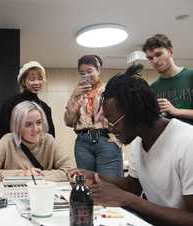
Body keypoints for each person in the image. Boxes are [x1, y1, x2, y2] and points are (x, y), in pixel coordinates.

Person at [69, 64, 193, 226]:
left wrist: (130, 201)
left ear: (136, 113)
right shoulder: (139, 140)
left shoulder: (187, 142)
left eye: (113, 122)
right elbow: (133, 185)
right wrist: (96, 177)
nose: (109, 128)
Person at [0, 101, 70, 182]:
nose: (36, 129)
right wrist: (22, 174)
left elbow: (69, 171)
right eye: (28, 125)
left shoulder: (49, 140)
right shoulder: (7, 141)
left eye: (39, 122)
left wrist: (38, 176)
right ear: (17, 126)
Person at [64, 55, 122, 177]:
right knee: (87, 184)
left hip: (106, 139)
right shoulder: (78, 93)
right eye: (82, 73)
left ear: (98, 70)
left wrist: (117, 137)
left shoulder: (110, 89)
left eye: (90, 71)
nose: (87, 75)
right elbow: (69, 121)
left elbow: (119, 115)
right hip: (83, 142)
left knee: (110, 183)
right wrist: (74, 96)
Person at [0, 61, 55, 145]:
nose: (36, 83)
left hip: (39, 154)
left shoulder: (45, 107)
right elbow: (1, 133)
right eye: (32, 79)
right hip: (15, 152)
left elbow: (50, 135)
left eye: (40, 79)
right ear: (23, 81)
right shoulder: (11, 104)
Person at [143, 33, 193, 125]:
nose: (155, 61)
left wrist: (176, 111)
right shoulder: (153, 88)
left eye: (158, 54)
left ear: (170, 51)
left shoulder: (190, 76)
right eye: (150, 58)